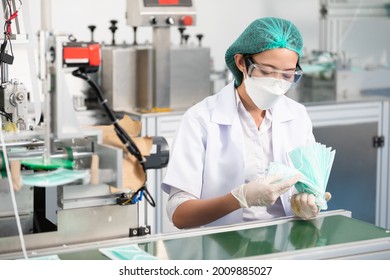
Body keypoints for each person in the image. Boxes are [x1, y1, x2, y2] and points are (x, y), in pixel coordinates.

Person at [161, 17, 331, 229]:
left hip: (286, 242)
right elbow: (179, 214)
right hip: (224, 248)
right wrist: (237, 199)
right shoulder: (201, 119)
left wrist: (306, 205)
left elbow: (308, 186)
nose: (277, 82)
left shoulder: (297, 116)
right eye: (267, 72)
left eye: (287, 74)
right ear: (241, 62)